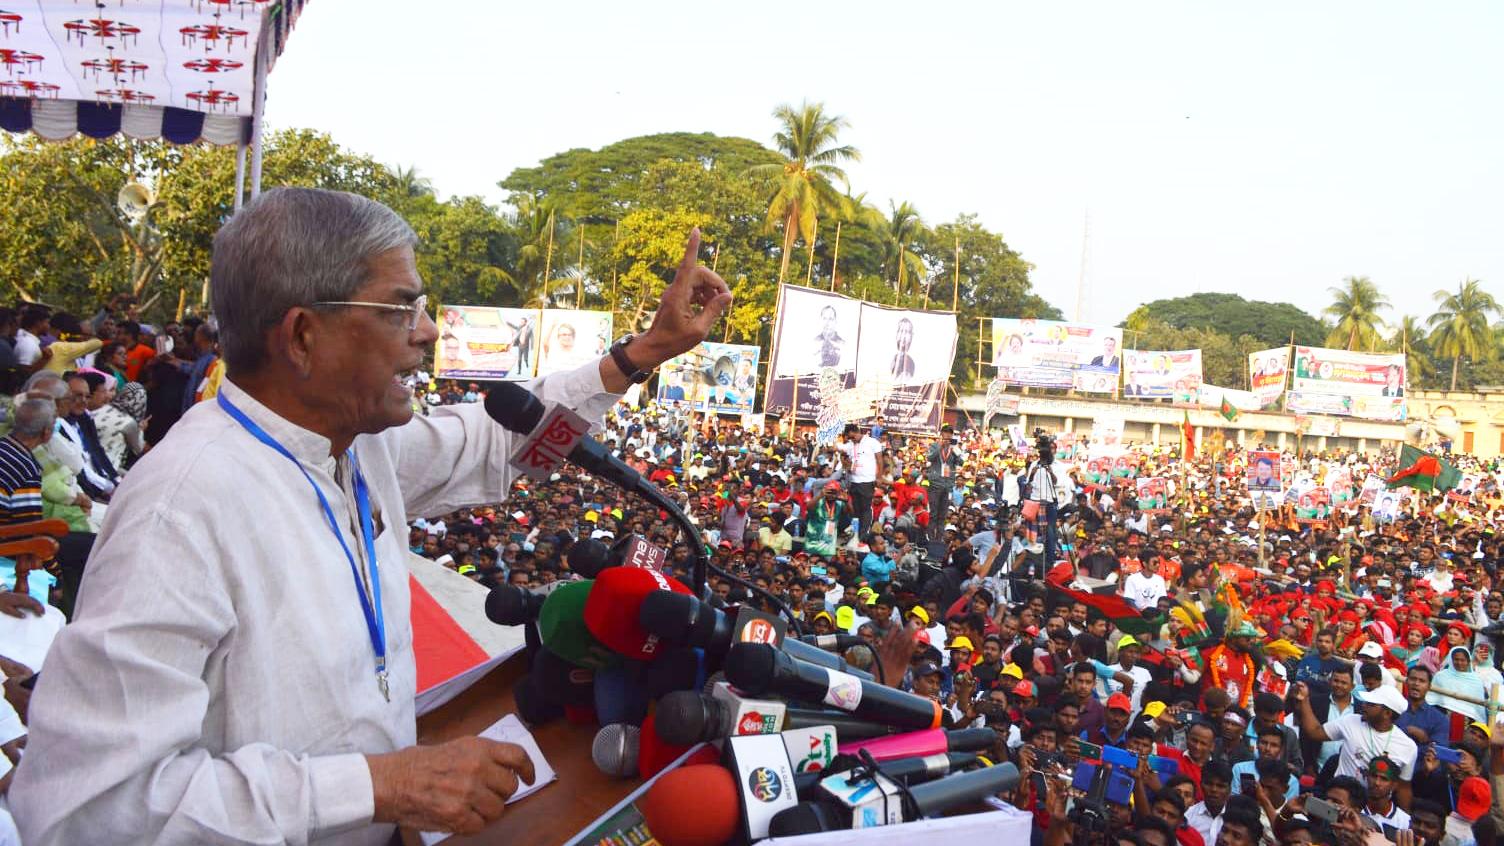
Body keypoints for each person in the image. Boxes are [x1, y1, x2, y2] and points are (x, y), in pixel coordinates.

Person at [8, 190, 733, 844]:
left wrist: (645, 352)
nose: (425, 333)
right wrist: (379, 785)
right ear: (301, 337)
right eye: (400, 309)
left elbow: (496, 437)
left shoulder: (357, 449)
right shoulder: (179, 511)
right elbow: (89, 812)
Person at [1291, 680, 1418, 801]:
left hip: (1373, 808)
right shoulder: (1351, 721)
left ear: (1387, 714)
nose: (1364, 706)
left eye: (1370, 704)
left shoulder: (1408, 747)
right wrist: (1304, 700)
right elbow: (1314, 732)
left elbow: (1403, 788)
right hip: (1338, 799)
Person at [814, 304, 844, 368]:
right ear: (820, 320)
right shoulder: (815, 342)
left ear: (835, 321)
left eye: (830, 319)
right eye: (824, 318)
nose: (827, 323)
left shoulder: (842, 343)